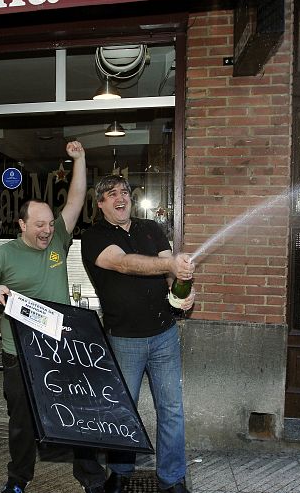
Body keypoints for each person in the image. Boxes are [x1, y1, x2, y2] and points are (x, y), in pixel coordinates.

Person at [0, 141, 106, 493]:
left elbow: (75, 201)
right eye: (40, 224)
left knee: (79, 413)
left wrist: (80, 159)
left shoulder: (59, 238)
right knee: (22, 423)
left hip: (61, 347)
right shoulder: (5, 256)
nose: (48, 230)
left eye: (50, 223)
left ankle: (91, 480)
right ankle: (18, 481)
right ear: (22, 224)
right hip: (21, 353)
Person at [80, 174, 195, 493]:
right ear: (100, 202)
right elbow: (123, 263)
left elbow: (168, 273)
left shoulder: (151, 229)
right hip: (123, 339)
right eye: (112, 193)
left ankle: (172, 478)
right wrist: (170, 264)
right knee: (122, 409)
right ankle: (120, 472)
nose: (121, 197)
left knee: (171, 408)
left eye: (126, 192)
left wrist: (182, 289)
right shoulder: (94, 237)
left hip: (164, 335)